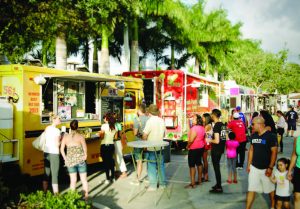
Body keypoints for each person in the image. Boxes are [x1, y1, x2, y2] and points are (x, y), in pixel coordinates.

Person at [246, 116, 277, 209]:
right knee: (251, 189)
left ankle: (272, 205)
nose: (252, 126)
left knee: (270, 189)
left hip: (267, 168)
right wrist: (249, 165)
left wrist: (270, 167)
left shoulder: (271, 136)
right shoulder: (253, 135)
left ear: (259, 124)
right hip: (254, 167)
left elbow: (274, 152)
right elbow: (251, 150)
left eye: (253, 124)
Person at [60, 120, 88, 200]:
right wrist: (85, 155)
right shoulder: (80, 136)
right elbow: (85, 148)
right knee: (84, 180)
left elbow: (61, 150)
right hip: (81, 161)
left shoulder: (65, 137)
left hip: (70, 162)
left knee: (73, 181)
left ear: (70, 127)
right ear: (77, 127)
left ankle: (72, 199)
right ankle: (86, 198)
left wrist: (65, 159)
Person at [142, 104, 166, 191]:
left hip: (151, 147)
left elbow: (145, 135)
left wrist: (144, 145)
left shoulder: (150, 121)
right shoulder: (161, 120)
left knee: (151, 165)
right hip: (160, 146)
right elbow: (164, 134)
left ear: (150, 112)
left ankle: (153, 186)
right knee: (161, 165)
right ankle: (163, 184)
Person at [207, 109, 227, 193]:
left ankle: (219, 186)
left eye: (211, 114)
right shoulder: (222, 125)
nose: (211, 116)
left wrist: (209, 139)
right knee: (217, 167)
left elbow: (217, 140)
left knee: (216, 168)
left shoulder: (216, 126)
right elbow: (225, 137)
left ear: (213, 115)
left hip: (216, 149)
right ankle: (218, 184)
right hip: (221, 148)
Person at [43, 113, 61, 194]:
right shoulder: (57, 131)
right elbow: (57, 144)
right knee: (55, 174)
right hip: (54, 153)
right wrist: (62, 139)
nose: (60, 120)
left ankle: (44, 192)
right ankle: (56, 195)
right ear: (54, 120)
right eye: (58, 119)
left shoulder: (47, 128)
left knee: (46, 173)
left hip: (46, 152)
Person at [185, 114, 206, 188]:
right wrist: (188, 121)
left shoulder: (194, 128)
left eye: (194, 119)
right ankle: (199, 180)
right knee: (199, 163)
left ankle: (192, 183)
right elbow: (189, 131)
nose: (192, 120)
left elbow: (191, 140)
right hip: (201, 147)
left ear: (197, 120)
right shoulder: (202, 128)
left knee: (192, 166)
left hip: (194, 148)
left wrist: (187, 146)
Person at [132, 104, 149, 184]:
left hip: (139, 142)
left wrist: (140, 135)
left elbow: (135, 133)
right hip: (148, 142)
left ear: (139, 111)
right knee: (149, 160)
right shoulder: (149, 119)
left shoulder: (136, 120)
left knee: (139, 161)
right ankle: (149, 177)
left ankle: (138, 179)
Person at [99, 113, 117, 184]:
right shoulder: (114, 126)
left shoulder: (103, 126)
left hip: (104, 145)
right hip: (111, 145)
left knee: (106, 163)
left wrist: (99, 134)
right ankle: (113, 177)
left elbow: (101, 137)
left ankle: (107, 178)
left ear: (107, 118)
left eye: (104, 118)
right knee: (111, 161)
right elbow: (115, 137)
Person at [113, 113, 127, 178]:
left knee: (119, 157)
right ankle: (118, 171)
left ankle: (124, 172)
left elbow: (117, 135)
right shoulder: (119, 124)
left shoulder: (116, 125)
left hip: (117, 142)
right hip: (118, 142)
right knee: (116, 157)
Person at [287, 136, 300, 209]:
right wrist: (289, 170)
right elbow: (294, 155)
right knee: (297, 196)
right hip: (298, 169)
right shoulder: (297, 139)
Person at [202, 113, 213, 182]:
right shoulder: (208, 125)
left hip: (206, 143)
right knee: (204, 160)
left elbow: (202, 133)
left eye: (203, 118)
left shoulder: (207, 126)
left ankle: (205, 175)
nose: (202, 119)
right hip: (206, 143)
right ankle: (205, 175)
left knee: (204, 160)